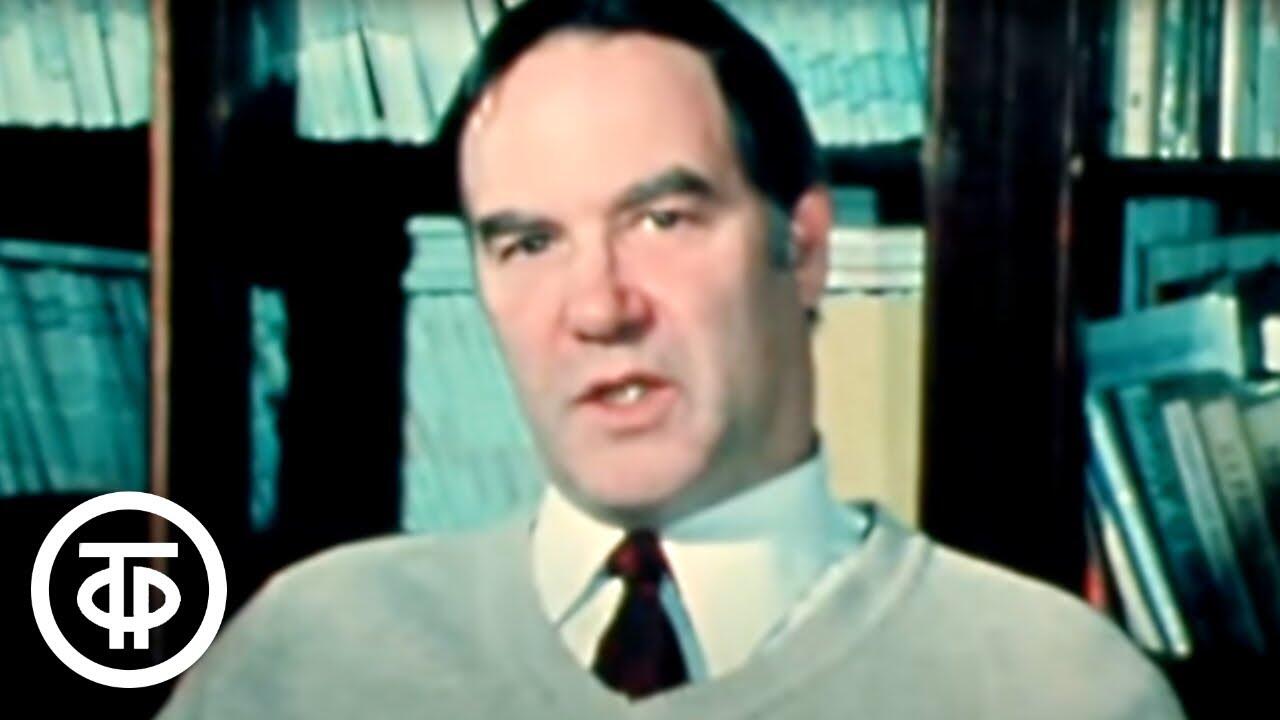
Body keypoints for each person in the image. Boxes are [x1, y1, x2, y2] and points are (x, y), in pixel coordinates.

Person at [157, 1, 1184, 717]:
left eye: (661, 220)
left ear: (803, 249)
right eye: (530, 242)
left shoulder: (1052, 690)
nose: (599, 309)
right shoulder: (307, 655)